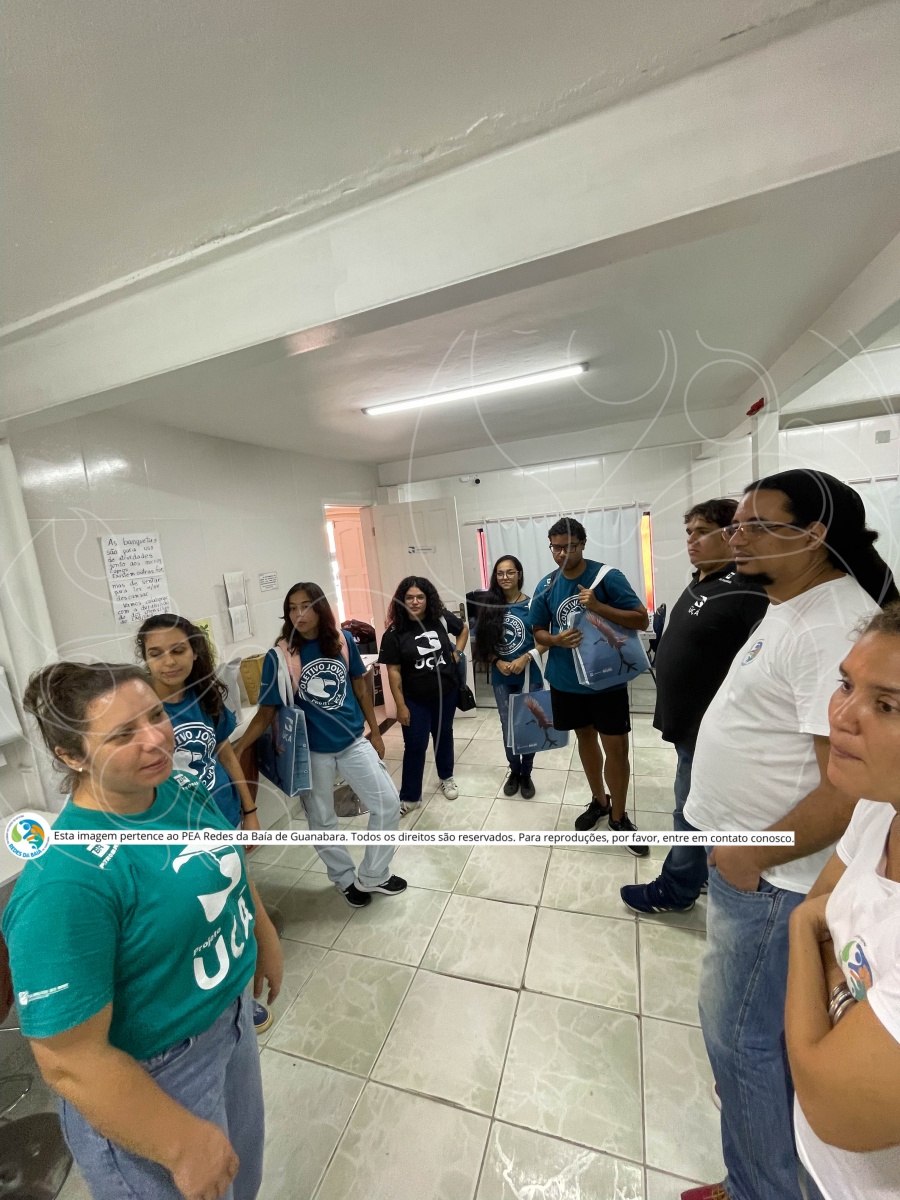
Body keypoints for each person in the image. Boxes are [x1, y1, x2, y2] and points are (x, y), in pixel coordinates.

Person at [678, 470, 898, 1200]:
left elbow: (848, 786)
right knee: (753, 1037)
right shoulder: (795, 603)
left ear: (814, 534)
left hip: (775, 878)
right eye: (735, 524)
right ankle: (760, 1174)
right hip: (765, 870)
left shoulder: (832, 622)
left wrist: (752, 856)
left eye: (758, 524)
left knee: (741, 1042)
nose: (737, 536)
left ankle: (757, 1189)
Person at [3, 661, 282, 1200]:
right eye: (123, 734)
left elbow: (227, 865)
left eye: (156, 715)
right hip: (154, 1074)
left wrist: (261, 936)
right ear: (72, 756)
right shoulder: (65, 880)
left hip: (229, 1025)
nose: (156, 740)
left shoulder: (179, 789)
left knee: (243, 1180)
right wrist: (178, 1143)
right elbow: (69, 1058)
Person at [785, 605, 900, 1200]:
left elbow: (828, 1099)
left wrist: (804, 933)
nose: (841, 715)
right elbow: (818, 902)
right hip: (827, 1173)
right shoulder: (881, 805)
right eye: (846, 684)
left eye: (888, 706)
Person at [620, 499, 768, 914]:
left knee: (689, 812)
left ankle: (676, 888)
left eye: (702, 532)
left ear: (731, 534)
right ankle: (698, 874)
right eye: (689, 532)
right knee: (694, 807)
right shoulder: (702, 580)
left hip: (712, 730)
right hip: (690, 726)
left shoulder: (747, 590)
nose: (692, 540)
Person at [137, 613, 275, 1033]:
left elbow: (226, 753)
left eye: (178, 650)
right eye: (156, 653)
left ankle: (239, 995)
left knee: (234, 902)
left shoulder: (205, 695)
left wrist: (249, 811)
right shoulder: (140, 708)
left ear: (194, 651)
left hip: (222, 816)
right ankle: (207, 1001)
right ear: (144, 658)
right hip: (174, 831)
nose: (168, 661)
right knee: (194, 918)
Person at [234, 582, 406, 908]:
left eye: (306, 606)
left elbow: (360, 686)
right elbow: (267, 711)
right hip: (311, 752)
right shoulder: (280, 656)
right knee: (322, 820)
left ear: (321, 608)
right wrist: (239, 747)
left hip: (353, 741)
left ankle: (374, 874)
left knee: (386, 803)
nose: (298, 614)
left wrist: (375, 731)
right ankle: (344, 879)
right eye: (292, 608)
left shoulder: (342, 641)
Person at [530, 516, 650, 856]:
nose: (562, 554)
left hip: (606, 682)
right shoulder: (547, 585)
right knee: (584, 739)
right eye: (556, 547)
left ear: (583, 544)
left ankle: (618, 817)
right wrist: (555, 639)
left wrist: (598, 606)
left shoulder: (607, 577)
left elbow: (641, 618)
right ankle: (600, 801)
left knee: (617, 748)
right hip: (566, 682)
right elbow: (538, 630)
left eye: (569, 546)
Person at [378, 576, 469, 814]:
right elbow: (394, 673)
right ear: (402, 601)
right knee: (415, 745)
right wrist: (400, 706)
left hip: (446, 693)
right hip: (414, 700)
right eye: (409, 597)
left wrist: (457, 653)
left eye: (420, 597)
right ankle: (410, 797)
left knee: (443, 735)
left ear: (428, 599)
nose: (415, 602)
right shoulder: (394, 633)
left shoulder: (441, 619)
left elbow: (463, 630)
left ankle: (446, 777)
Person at [473, 554, 544, 799]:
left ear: (519, 574)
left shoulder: (533, 605)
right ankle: (514, 770)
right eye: (500, 573)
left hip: (529, 674)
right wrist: (497, 661)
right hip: (502, 676)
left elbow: (545, 641)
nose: (505, 577)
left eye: (510, 572)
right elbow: (482, 643)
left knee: (530, 723)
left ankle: (527, 773)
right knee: (508, 726)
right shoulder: (490, 606)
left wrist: (526, 658)